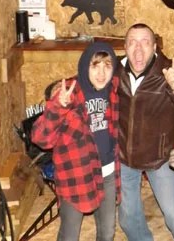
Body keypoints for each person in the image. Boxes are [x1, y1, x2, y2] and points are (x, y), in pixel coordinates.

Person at [31, 41, 120, 241]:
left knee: (107, 233)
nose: (101, 73)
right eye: (95, 65)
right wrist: (58, 106)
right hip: (76, 175)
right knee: (70, 235)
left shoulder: (113, 90)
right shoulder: (70, 93)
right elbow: (40, 137)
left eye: (107, 66)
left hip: (107, 172)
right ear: (84, 66)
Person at [117, 23, 174, 241]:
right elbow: (90, 78)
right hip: (125, 156)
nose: (138, 49)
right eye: (132, 42)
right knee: (127, 217)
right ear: (125, 47)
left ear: (155, 47)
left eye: (145, 42)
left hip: (160, 157)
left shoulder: (169, 72)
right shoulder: (114, 70)